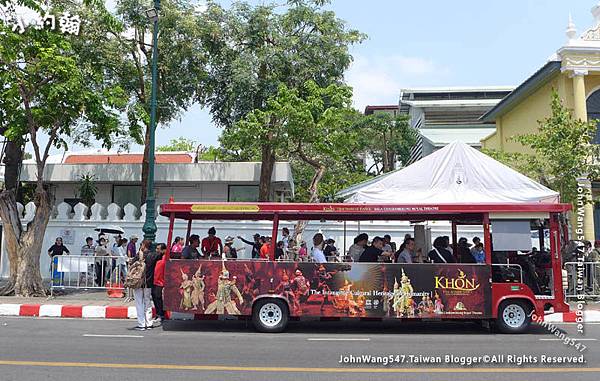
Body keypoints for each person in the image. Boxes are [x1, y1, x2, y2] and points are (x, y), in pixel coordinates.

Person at [132, 239, 153, 330]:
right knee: (147, 303)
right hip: (148, 282)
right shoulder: (152, 255)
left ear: (143, 245)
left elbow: (132, 263)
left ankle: (141, 324)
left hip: (138, 282)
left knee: (139, 303)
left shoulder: (138, 255)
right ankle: (149, 323)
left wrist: (139, 252)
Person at [152, 243, 168, 324]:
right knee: (155, 297)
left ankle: (161, 315)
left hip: (161, 281)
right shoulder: (158, 257)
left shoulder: (165, 258)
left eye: (158, 249)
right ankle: (158, 314)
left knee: (158, 298)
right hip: (155, 280)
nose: (157, 250)